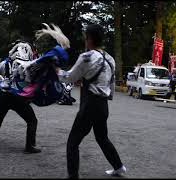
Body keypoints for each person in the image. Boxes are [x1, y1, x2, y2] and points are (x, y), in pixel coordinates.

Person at [58, 24, 126, 178]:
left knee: (73, 142)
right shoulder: (110, 58)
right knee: (102, 138)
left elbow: (68, 77)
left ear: (88, 39)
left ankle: (73, 175)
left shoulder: (86, 57)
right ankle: (119, 167)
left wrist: (56, 71)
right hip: (103, 105)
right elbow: (111, 83)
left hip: (90, 105)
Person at [0, 41, 42, 154]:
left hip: (4, 94)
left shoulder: (6, 63)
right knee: (32, 121)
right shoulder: (31, 65)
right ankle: (29, 146)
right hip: (19, 97)